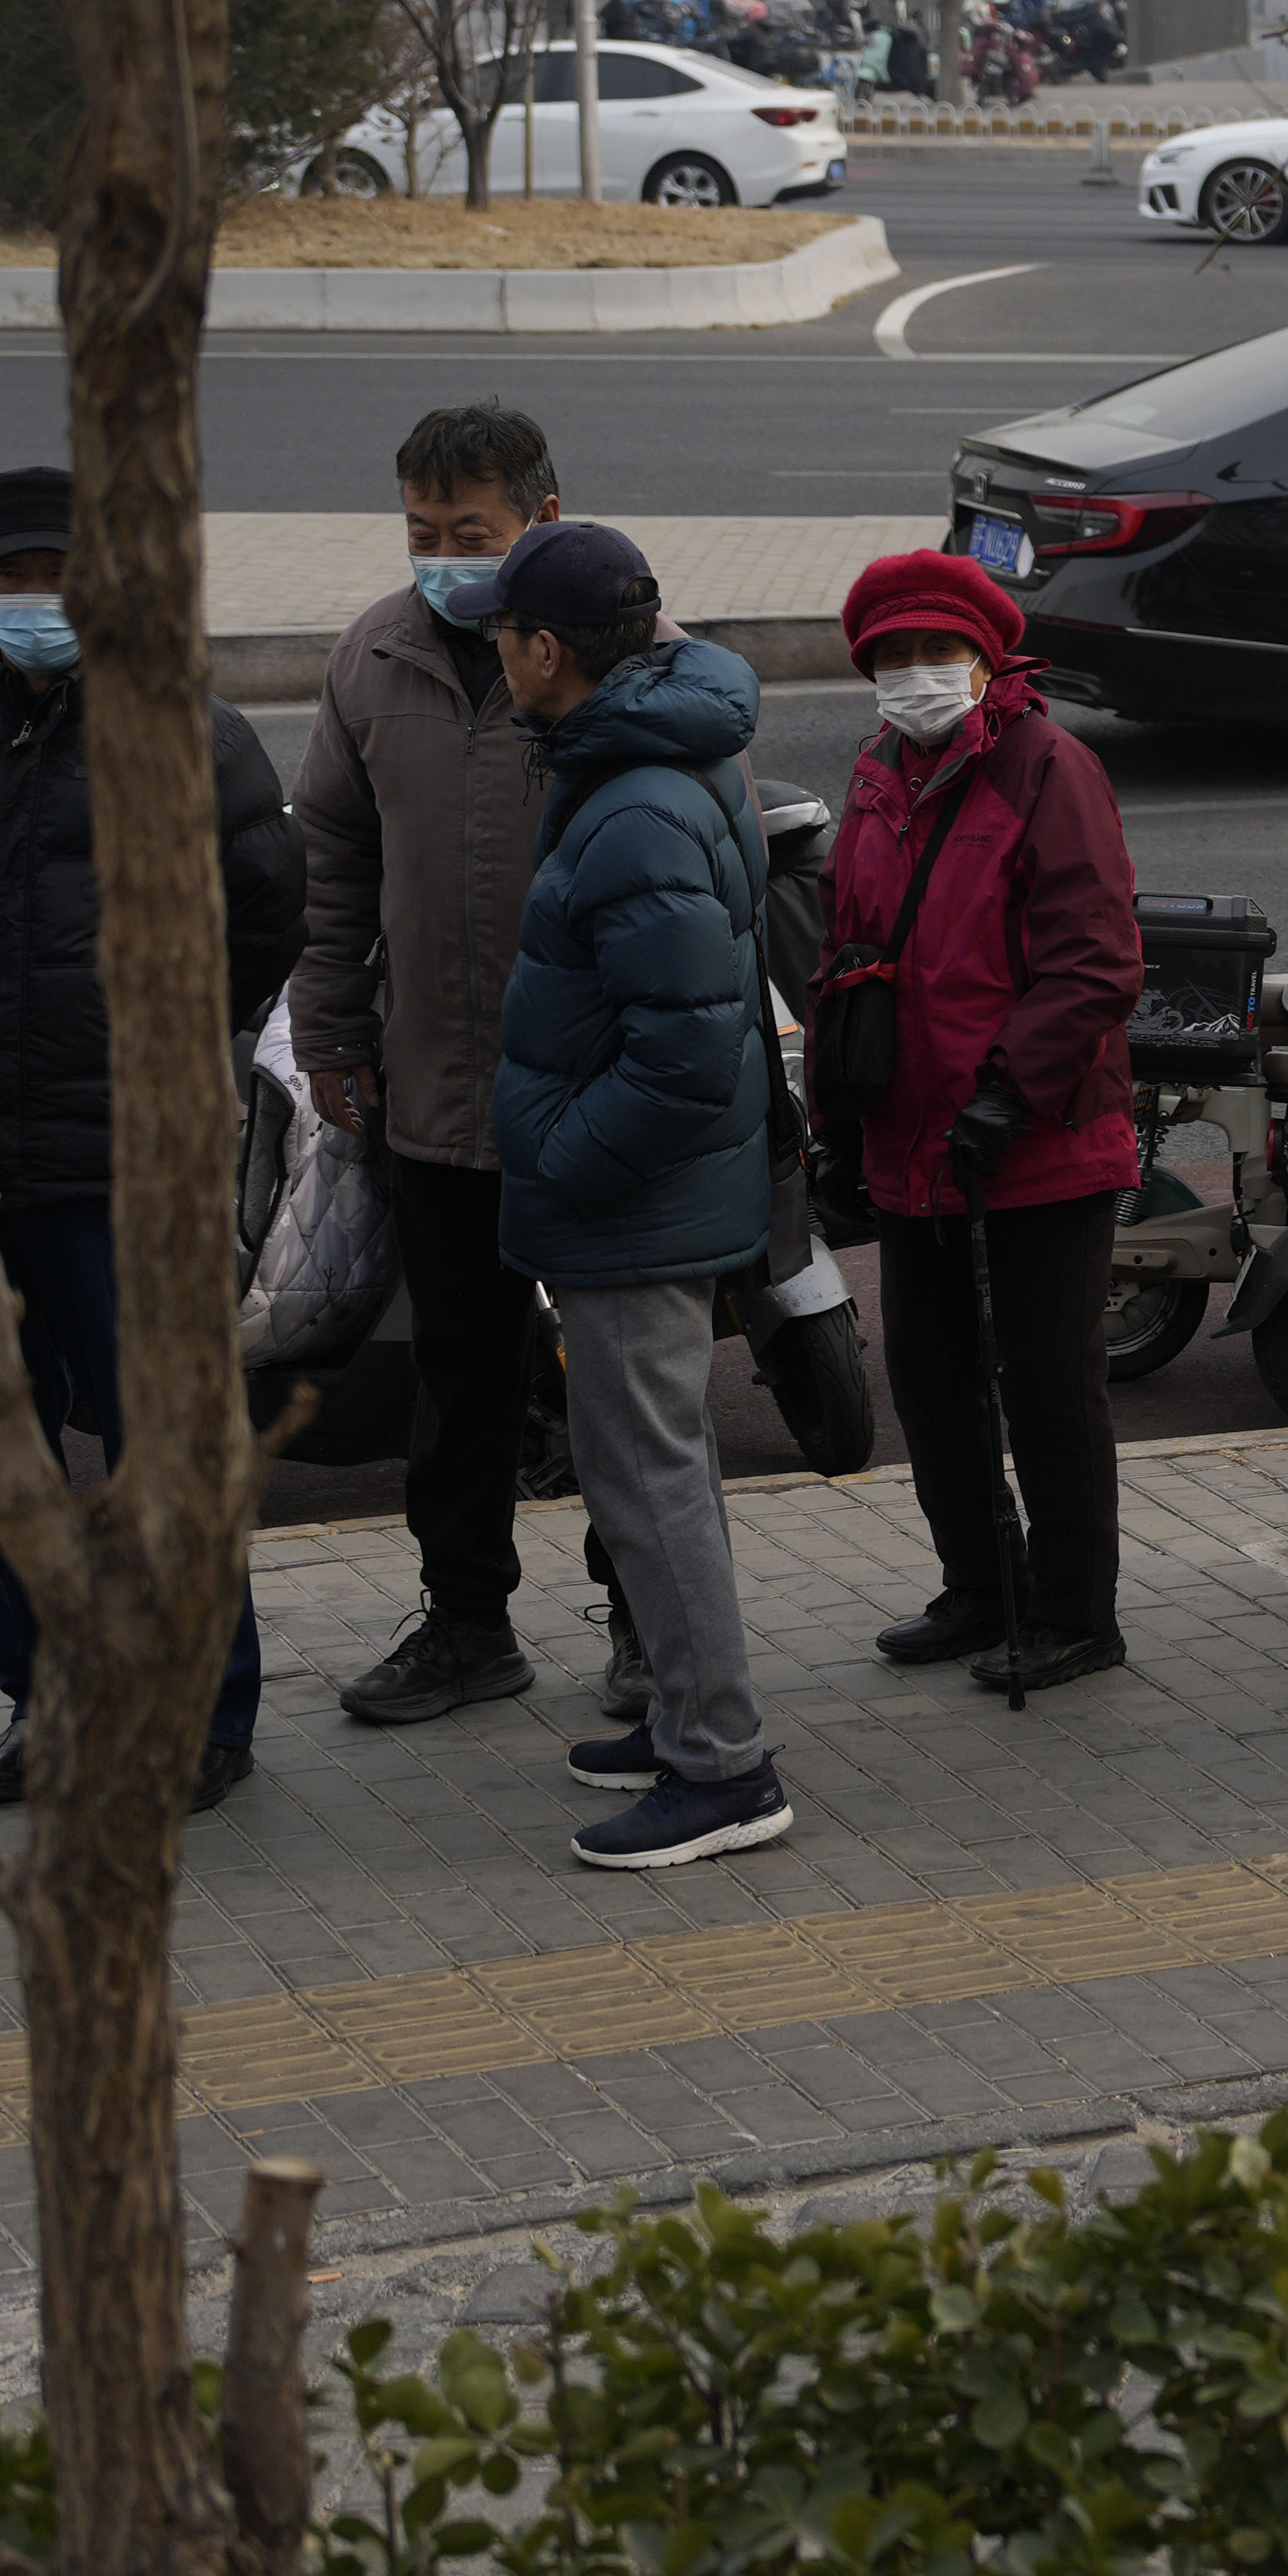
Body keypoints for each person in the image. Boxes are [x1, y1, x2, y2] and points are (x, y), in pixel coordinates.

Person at [0, 467, 302, 1813]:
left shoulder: (192, 733)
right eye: (13, 576)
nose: (38, 599)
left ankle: (205, 1713)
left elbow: (266, 916)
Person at [481, 519, 796, 1862]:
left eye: (503, 631)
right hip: (642, 1196)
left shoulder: (641, 802)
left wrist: (563, 1156)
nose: (494, 651)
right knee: (648, 1468)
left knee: (654, 1479)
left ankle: (723, 1767)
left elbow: (679, 1048)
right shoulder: (648, 755)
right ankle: (685, 1720)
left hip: (634, 1203)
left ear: (547, 652)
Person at [822, 549, 1144, 1701]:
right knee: (931, 1376)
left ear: (985, 657)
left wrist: (1011, 1091)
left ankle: (1073, 1613)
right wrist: (838, 1107)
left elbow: (1097, 957)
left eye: (934, 653)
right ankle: (981, 1583)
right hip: (913, 1140)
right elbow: (848, 946)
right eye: (892, 656)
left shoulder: (1047, 766)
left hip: (1037, 1140)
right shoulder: (876, 773)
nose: (913, 675)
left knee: (1052, 1386)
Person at [294, 403, 572, 1726]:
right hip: (437, 1094)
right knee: (458, 1381)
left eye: (473, 535)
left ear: (544, 523)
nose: (445, 558)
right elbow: (334, 868)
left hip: (594, 1101)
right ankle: (468, 1624)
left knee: (631, 1389)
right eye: (424, 534)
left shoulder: (625, 657)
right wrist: (331, 1033)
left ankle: (649, 1624)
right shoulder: (373, 658)